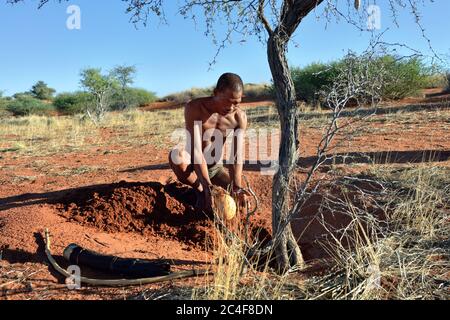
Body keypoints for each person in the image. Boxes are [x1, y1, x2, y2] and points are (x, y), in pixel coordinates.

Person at [168, 73, 250, 213]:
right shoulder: (195, 108)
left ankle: (207, 192)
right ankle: (199, 191)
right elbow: (196, 150)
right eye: (227, 101)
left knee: (241, 203)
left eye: (236, 102)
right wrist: (206, 187)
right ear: (216, 93)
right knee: (177, 155)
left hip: (215, 168)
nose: (230, 107)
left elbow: (236, 155)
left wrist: (237, 186)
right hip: (193, 163)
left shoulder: (239, 117)